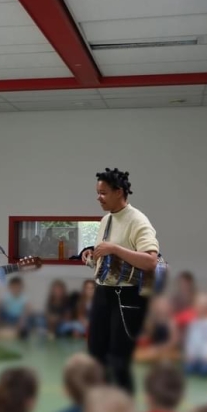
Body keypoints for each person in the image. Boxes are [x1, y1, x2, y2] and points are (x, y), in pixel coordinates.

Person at [81, 168, 159, 395]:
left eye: (103, 193)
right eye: (97, 192)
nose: (98, 197)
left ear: (119, 192)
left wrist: (114, 248)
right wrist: (91, 258)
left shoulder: (138, 220)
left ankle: (124, 410)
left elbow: (151, 262)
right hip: (103, 292)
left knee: (118, 360)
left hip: (127, 298)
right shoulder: (106, 219)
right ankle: (101, 405)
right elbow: (109, 262)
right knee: (95, 354)